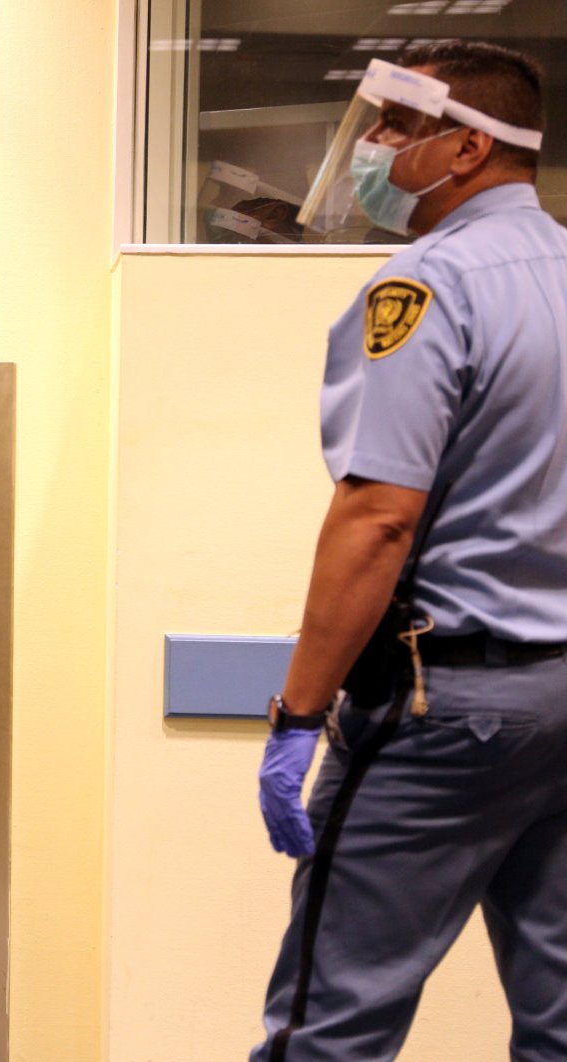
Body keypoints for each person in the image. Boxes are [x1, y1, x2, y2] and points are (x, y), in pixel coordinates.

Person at [253, 41, 567, 1060]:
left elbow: (378, 516)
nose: (371, 148)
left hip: (448, 717)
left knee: (330, 1020)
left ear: (468, 146)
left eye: (393, 127)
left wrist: (300, 712)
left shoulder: (422, 290)